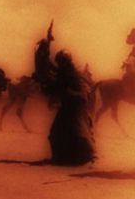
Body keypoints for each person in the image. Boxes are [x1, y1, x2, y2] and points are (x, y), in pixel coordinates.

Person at [33, 37, 95, 166]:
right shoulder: (65, 71)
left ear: (65, 62)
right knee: (60, 132)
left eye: (61, 61)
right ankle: (65, 157)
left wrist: (64, 91)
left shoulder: (72, 74)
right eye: (59, 62)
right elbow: (50, 69)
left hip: (75, 105)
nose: (59, 64)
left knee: (70, 131)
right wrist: (44, 53)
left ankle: (74, 157)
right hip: (71, 104)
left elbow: (79, 92)